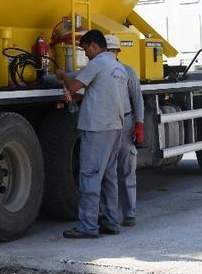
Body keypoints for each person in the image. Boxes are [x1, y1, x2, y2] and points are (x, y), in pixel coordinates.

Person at [55, 30, 130, 239]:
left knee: (89, 176)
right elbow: (97, 94)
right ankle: (111, 222)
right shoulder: (118, 67)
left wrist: (62, 76)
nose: (85, 54)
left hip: (97, 128)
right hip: (115, 126)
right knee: (108, 177)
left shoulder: (97, 63)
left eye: (85, 48)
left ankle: (87, 226)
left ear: (95, 46)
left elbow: (74, 87)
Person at [103, 35, 144, 227]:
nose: (111, 54)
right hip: (107, 124)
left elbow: (138, 99)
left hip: (126, 122)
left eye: (113, 50)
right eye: (108, 50)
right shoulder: (100, 71)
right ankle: (108, 214)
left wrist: (139, 124)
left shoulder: (128, 72)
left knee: (127, 169)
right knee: (107, 171)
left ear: (118, 52)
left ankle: (130, 214)